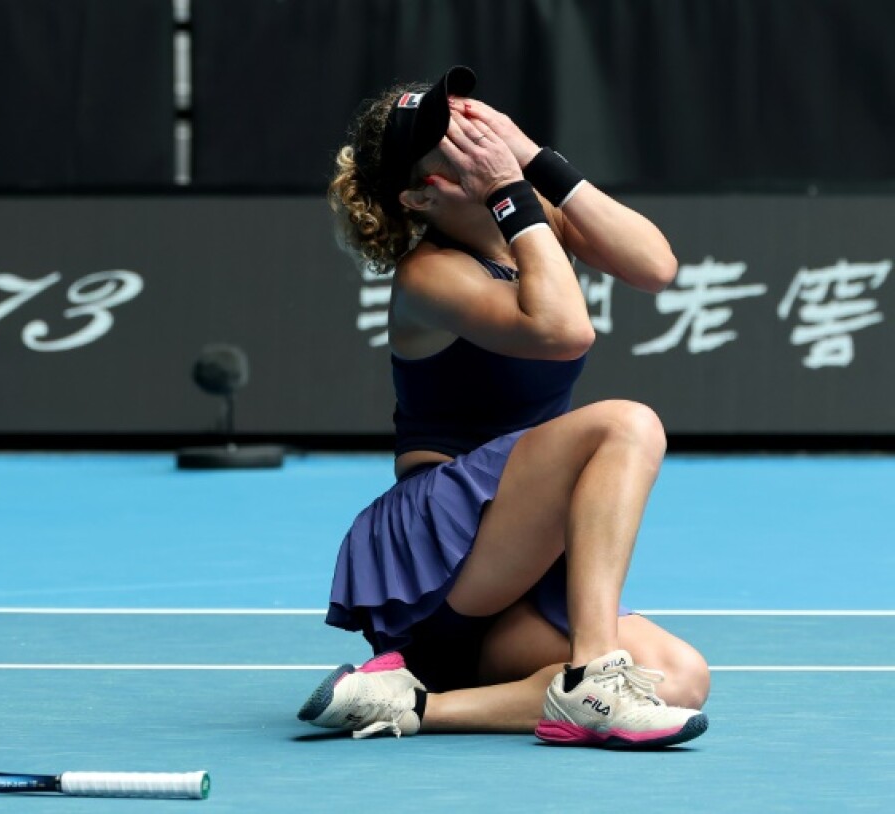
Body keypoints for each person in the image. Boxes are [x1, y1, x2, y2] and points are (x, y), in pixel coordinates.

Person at [296, 66, 710, 748]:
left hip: (515, 580)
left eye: (467, 117)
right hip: (444, 552)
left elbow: (655, 266)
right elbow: (565, 331)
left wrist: (536, 160)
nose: (472, 133)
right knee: (627, 425)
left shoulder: (536, 222)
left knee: (682, 676)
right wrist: (511, 193)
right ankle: (594, 674)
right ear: (420, 195)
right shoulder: (430, 274)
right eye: (446, 137)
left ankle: (411, 704)